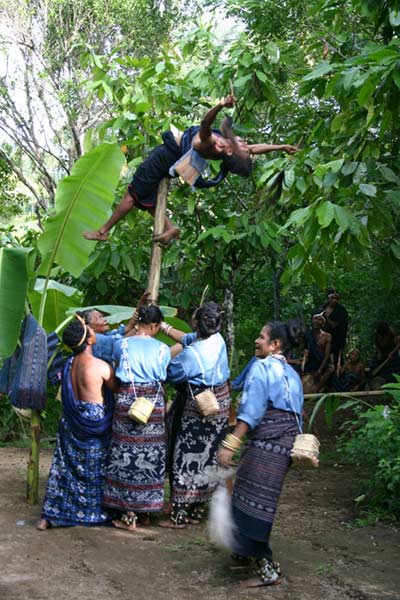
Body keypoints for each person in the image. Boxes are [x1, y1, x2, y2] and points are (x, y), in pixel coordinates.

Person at [83, 95, 297, 245]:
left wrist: (221, 105)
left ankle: (103, 231)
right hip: (173, 164)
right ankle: (171, 227)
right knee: (146, 199)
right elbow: (253, 149)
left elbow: (205, 122)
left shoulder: (211, 143)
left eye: (244, 147)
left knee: (131, 196)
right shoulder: (228, 149)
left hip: (164, 158)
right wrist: (282, 147)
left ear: (231, 152)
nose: (246, 145)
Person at [217, 321, 304, 587]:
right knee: (256, 498)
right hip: (285, 443)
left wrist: (231, 443)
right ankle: (243, 552)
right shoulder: (292, 373)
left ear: (275, 344)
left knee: (254, 504)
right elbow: (300, 413)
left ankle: (267, 568)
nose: (257, 340)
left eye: (261, 337)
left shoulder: (262, 368)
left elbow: (251, 412)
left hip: (267, 443)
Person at [37, 316, 117, 530]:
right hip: (94, 421)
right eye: (89, 329)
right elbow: (116, 388)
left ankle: (49, 516)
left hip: (71, 421)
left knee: (63, 469)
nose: (92, 330)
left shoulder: (68, 365)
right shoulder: (100, 366)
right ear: (89, 340)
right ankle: (93, 514)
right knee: (96, 469)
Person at [159, 301, 231, 528]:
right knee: (209, 456)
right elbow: (188, 338)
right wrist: (164, 328)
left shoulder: (193, 356)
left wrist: (154, 352)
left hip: (199, 407)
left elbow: (170, 372)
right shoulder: (216, 340)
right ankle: (197, 508)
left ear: (197, 323)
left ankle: (179, 512)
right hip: (221, 403)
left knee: (186, 454)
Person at [103, 304, 171, 530]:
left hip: (126, 401)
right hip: (153, 404)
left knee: (123, 452)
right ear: (154, 325)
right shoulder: (163, 349)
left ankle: (127, 512)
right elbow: (162, 375)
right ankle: (146, 509)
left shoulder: (121, 345)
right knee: (151, 454)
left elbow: (115, 362)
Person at [303, 313, 334, 392]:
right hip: (310, 363)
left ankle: (317, 389)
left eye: (320, 319)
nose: (317, 321)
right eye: (315, 318)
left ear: (323, 324)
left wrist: (320, 369)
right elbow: (302, 349)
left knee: (331, 369)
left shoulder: (327, 336)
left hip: (322, 363)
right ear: (312, 321)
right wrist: (304, 353)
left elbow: (327, 355)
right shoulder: (307, 335)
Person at [317, 289, 348, 367]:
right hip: (322, 340)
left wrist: (327, 319)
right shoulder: (321, 308)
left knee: (335, 362)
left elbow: (343, 327)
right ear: (328, 298)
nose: (334, 300)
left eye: (336, 298)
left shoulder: (341, 310)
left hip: (336, 340)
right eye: (332, 298)